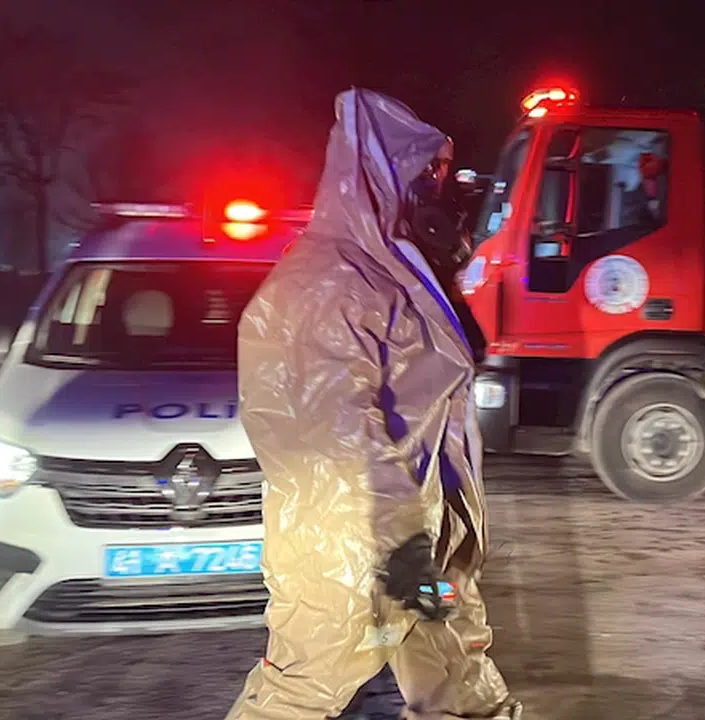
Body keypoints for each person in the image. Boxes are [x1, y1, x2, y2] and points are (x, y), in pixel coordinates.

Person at [226, 88, 521, 720]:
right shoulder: (327, 284)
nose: (444, 190)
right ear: (383, 178)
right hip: (348, 550)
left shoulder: (392, 273)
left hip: (423, 545)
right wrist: (402, 548)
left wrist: (427, 548)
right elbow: (337, 435)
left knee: (462, 683)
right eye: (430, 174)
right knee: (298, 695)